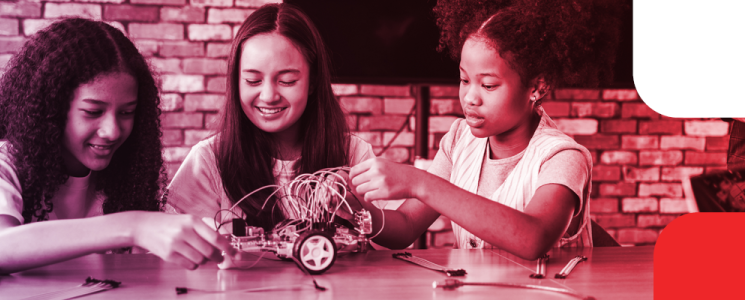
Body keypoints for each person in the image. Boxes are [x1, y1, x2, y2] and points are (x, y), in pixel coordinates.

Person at [0, 18, 234, 274]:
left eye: (126, 112)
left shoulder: (122, 175)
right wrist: (133, 227)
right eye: (93, 112)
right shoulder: (1, 161)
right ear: (52, 108)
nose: (111, 131)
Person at [349, 0, 623, 260]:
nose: (470, 97)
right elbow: (407, 225)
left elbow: (533, 238)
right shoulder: (459, 140)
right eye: (464, 80)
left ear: (537, 87)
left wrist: (418, 182)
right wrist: (354, 211)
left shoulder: (563, 156)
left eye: (488, 85)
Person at [164, 4, 375, 231]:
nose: (268, 96)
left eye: (286, 81)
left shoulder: (353, 153)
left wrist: (356, 210)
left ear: (313, 81)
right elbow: (169, 248)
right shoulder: (208, 160)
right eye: (253, 81)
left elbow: (390, 241)